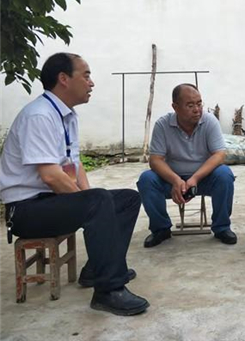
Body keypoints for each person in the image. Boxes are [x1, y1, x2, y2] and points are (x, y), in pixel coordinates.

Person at [0, 53, 149, 316]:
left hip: (49, 200)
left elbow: (74, 165)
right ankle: (109, 290)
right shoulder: (39, 116)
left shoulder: (66, 116)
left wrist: (89, 198)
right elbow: (50, 175)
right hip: (25, 210)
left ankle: (97, 269)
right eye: (86, 75)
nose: (91, 83)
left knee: (127, 199)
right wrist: (90, 202)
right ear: (64, 79)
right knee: (98, 200)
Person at [137, 84, 237, 247]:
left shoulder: (209, 121)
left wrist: (195, 178)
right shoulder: (163, 125)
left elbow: (219, 155)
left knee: (224, 175)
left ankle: (222, 227)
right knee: (146, 179)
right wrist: (175, 180)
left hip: (203, 178)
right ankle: (160, 229)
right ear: (175, 107)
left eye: (199, 103)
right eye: (190, 105)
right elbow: (155, 160)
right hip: (172, 179)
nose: (197, 109)